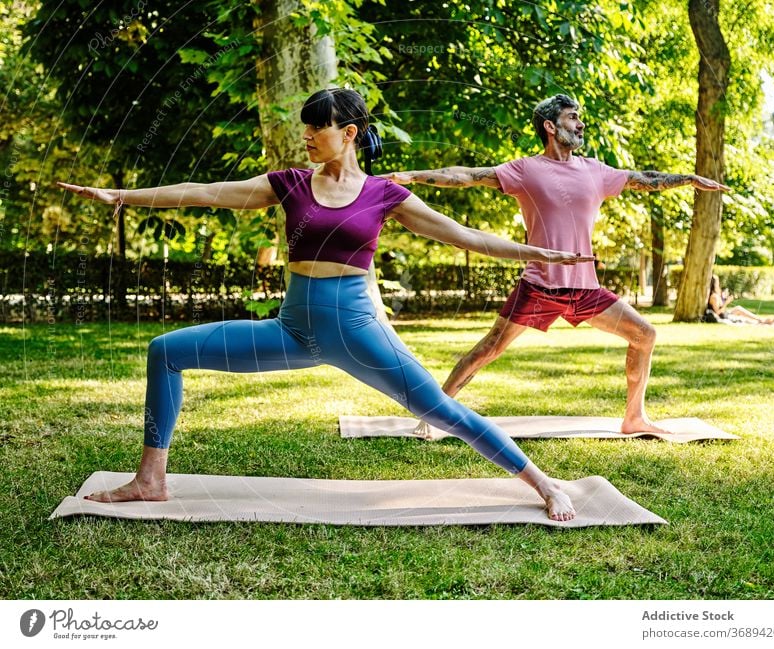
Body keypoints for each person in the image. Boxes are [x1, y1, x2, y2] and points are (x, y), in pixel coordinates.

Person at [58, 88, 596, 521]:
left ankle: (544, 484)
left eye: (319, 127)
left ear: (349, 133)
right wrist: (122, 197)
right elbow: (205, 190)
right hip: (292, 332)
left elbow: (465, 237)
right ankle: (150, 479)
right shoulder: (289, 184)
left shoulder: (383, 194)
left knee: (443, 411)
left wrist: (532, 250)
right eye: (307, 127)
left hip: (359, 334)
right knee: (165, 350)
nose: (309, 136)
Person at [382, 93, 730, 438]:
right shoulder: (525, 170)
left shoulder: (595, 170)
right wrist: (413, 176)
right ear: (550, 126)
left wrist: (689, 179)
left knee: (645, 335)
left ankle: (634, 418)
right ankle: (434, 413)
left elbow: (644, 179)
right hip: (539, 286)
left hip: (585, 289)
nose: (581, 124)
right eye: (572, 117)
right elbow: (467, 176)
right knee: (488, 349)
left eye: (580, 118)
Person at [706, 274, 774, 325]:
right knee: (739, 311)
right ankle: (761, 321)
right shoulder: (714, 297)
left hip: (725, 313)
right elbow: (717, 313)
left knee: (738, 309)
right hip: (723, 316)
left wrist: (724, 298)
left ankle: (761, 320)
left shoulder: (715, 295)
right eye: (718, 282)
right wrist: (726, 302)